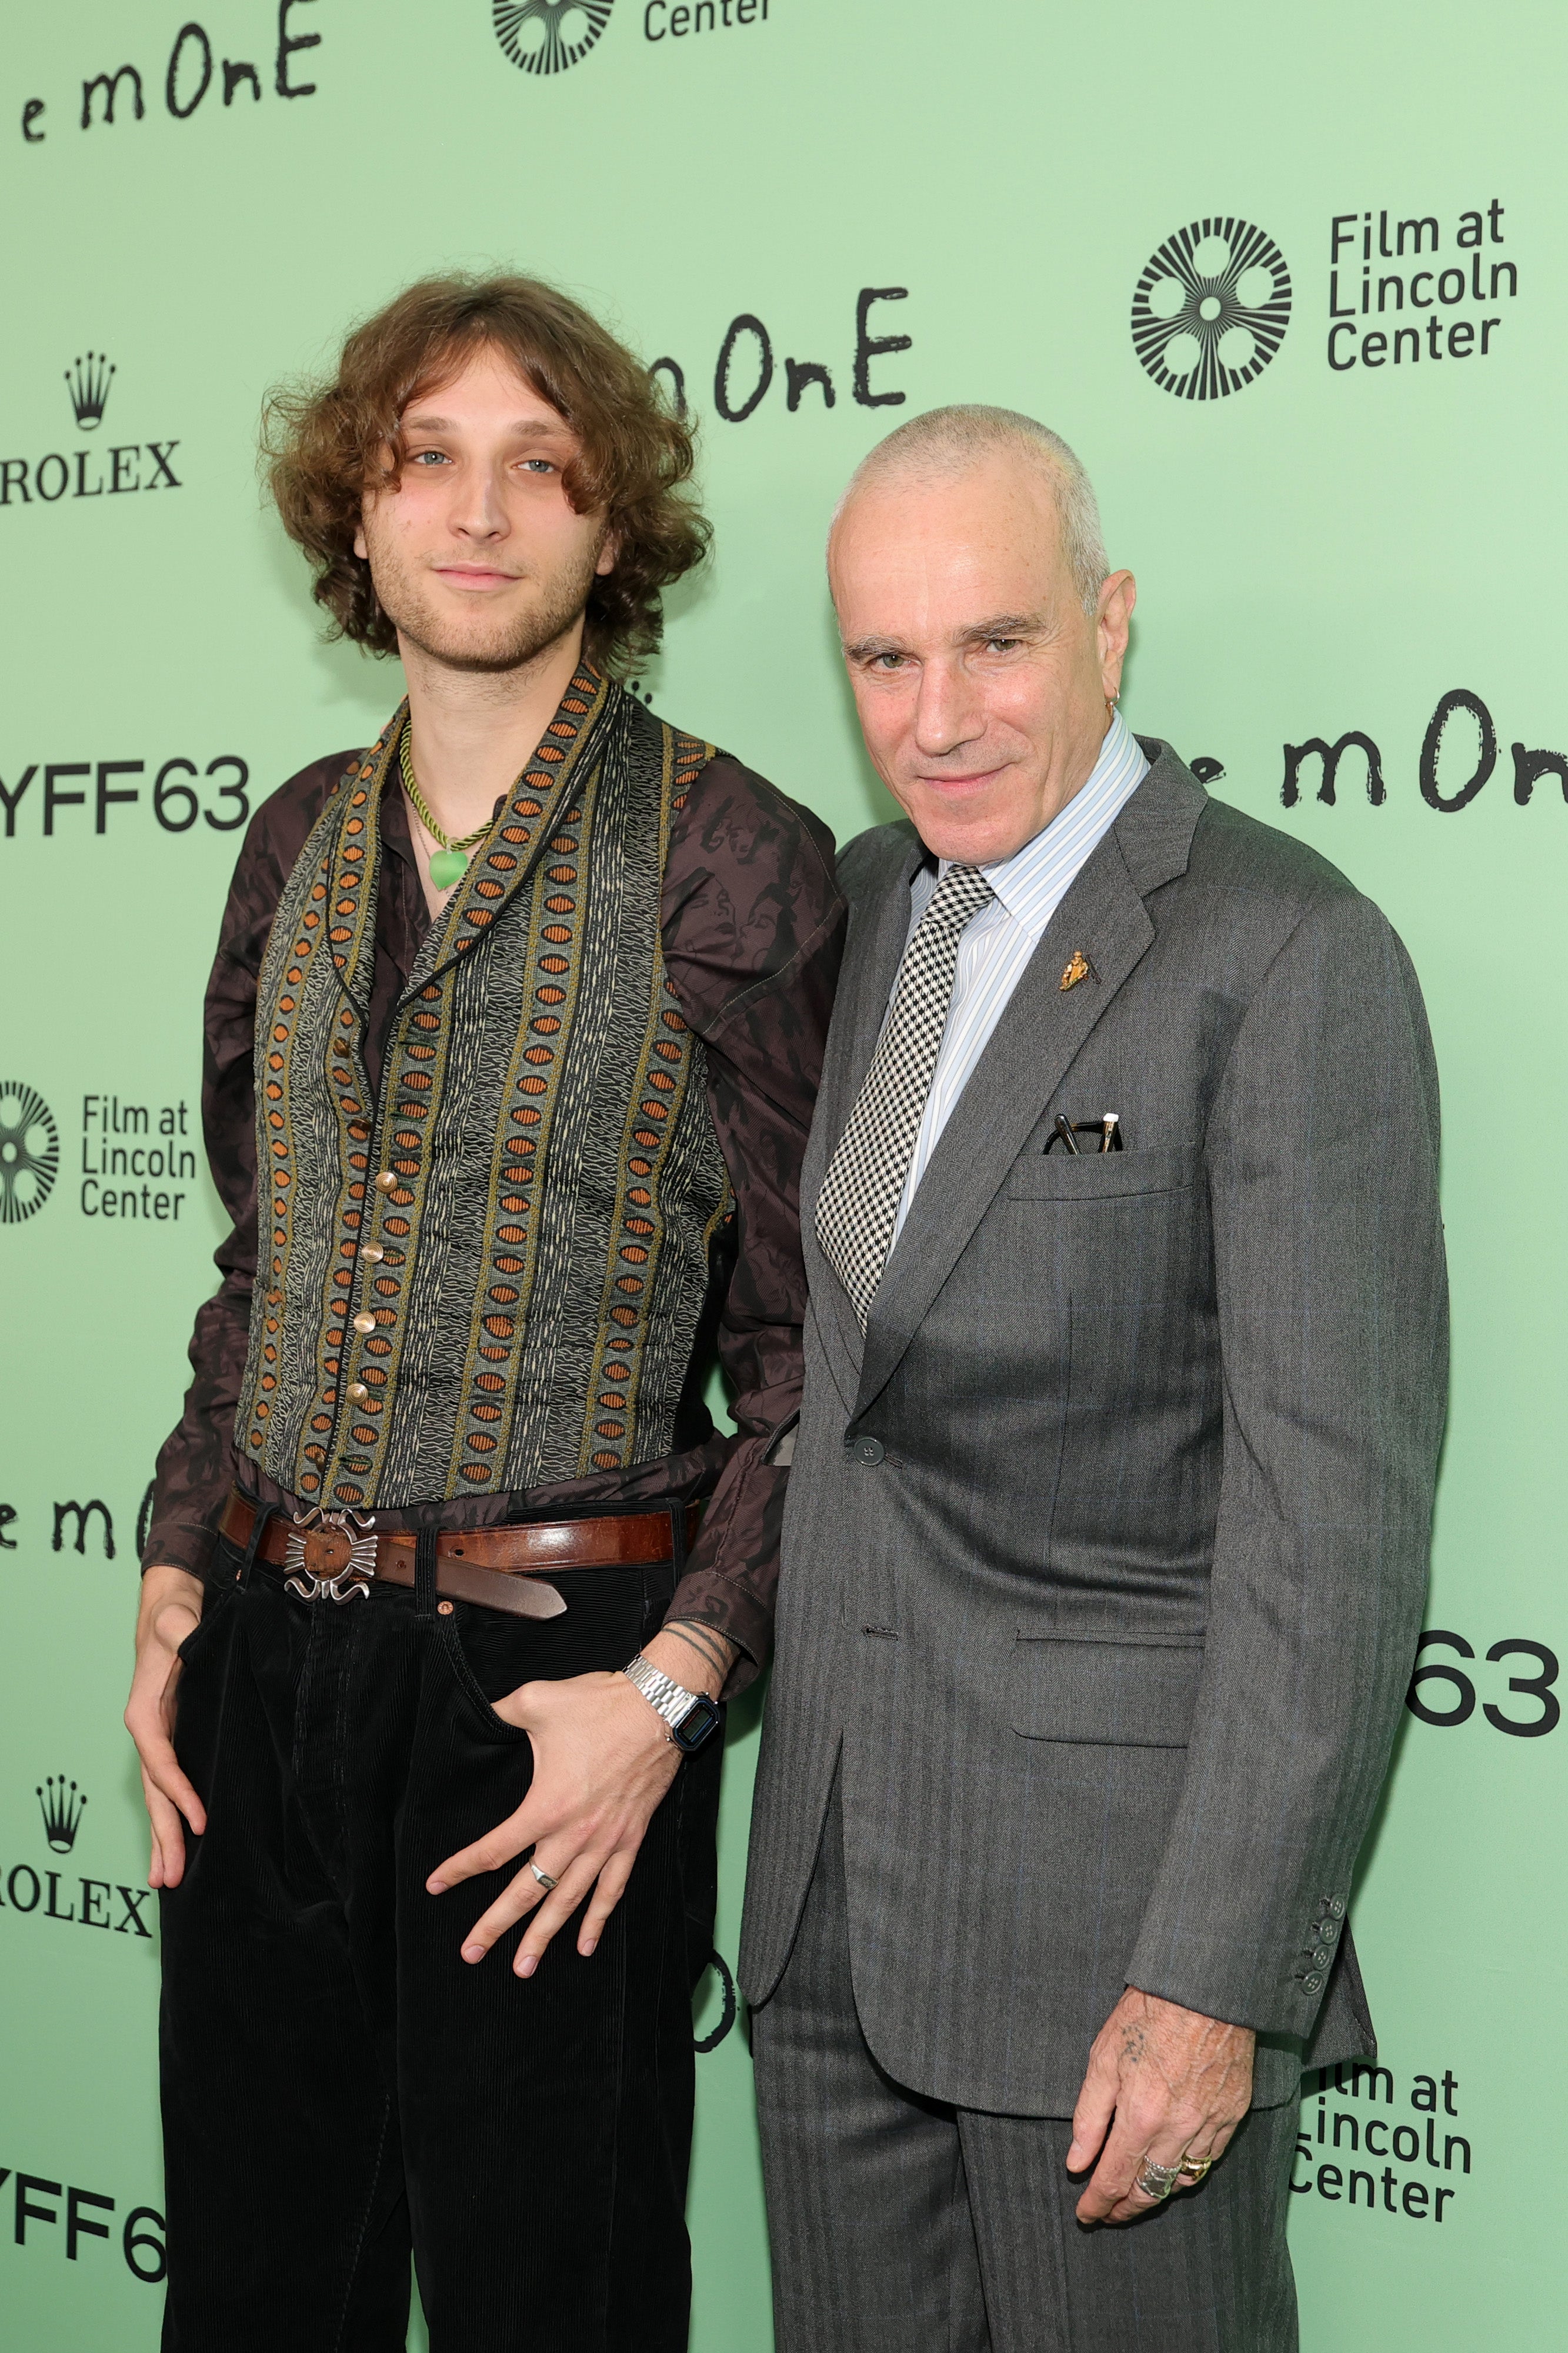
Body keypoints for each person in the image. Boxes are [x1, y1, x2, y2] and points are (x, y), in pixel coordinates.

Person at [125, 271, 844, 2353]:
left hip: (560, 1696)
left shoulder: (730, 852)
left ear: (614, 531)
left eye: (540, 465)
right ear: (354, 515)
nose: (475, 510)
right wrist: (181, 1564)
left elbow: (808, 1362)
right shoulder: (288, 846)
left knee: (559, 2297)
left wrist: (682, 1687)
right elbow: (266, 1259)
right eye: (425, 457)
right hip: (268, 1667)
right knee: (263, 2296)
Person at [740, 405, 1447, 2351]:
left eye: (997, 644)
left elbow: (1333, 1540)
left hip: (1107, 1960)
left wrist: (1215, 1979)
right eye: (883, 658)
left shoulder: (1283, 953)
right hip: (822, 1922)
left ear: (1110, 623)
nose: (936, 714)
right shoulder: (875, 906)